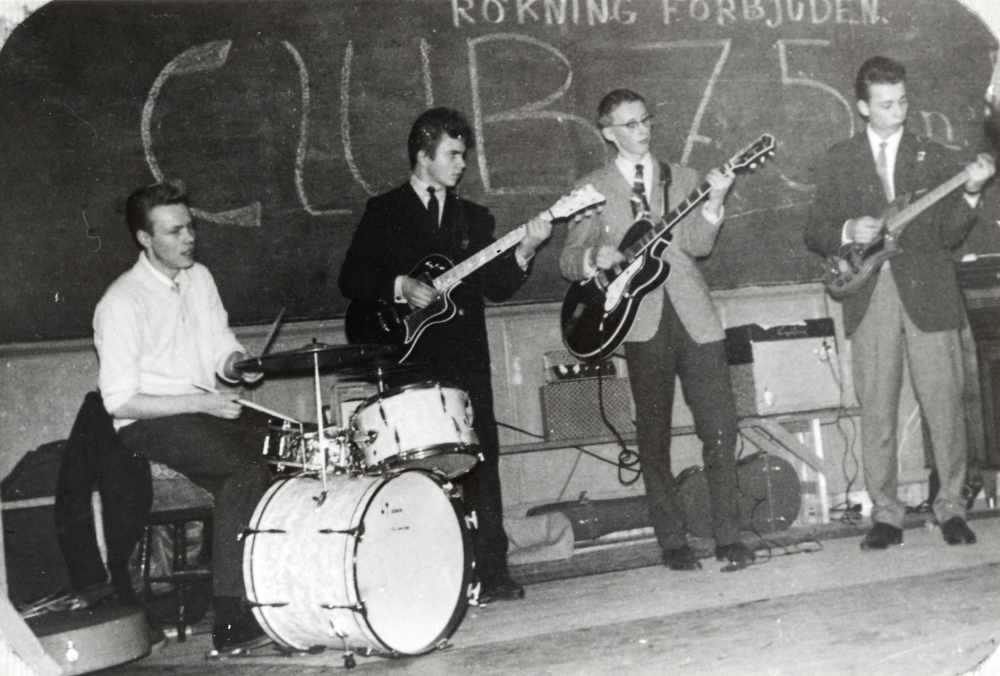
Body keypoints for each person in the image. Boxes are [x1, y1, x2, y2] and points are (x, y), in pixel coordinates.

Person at [338, 107, 552, 602]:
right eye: (453, 155)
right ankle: (425, 577)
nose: (462, 165)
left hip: (466, 358)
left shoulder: (475, 219)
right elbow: (351, 279)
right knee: (413, 467)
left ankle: (492, 571)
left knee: (481, 458)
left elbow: (496, 287)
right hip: (406, 357)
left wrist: (526, 249)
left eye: (464, 156)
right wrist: (399, 286)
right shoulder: (384, 211)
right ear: (423, 154)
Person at [559, 89, 754, 572]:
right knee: (653, 439)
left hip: (695, 317)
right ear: (608, 132)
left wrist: (716, 202)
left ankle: (728, 535)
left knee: (721, 428)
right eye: (629, 124)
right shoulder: (593, 188)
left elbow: (699, 246)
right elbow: (567, 260)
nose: (642, 130)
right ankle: (673, 542)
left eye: (646, 120)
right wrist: (592, 259)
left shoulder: (682, 177)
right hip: (639, 320)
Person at [805, 56, 995, 550]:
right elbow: (815, 229)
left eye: (904, 101)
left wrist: (970, 192)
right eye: (887, 105)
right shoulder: (838, 159)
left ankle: (952, 507)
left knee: (945, 408)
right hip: (870, 295)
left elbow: (949, 234)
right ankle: (886, 515)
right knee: (878, 412)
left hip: (930, 293)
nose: (900, 111)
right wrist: (850, 229)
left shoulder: (933, 156)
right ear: (864, 107)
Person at [92, 181, 274, 653]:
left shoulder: (200, 278)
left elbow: (220, 346)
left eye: (190, 226)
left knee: (294, 445)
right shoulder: (120, 302)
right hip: (147, 422)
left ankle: (282, 593)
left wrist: (237, 364)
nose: (188, 238)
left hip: (202, 412)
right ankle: (233, 618)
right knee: (244, 470)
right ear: (145, 239)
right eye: (174, 232)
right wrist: (203, 403)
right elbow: (120, 401)